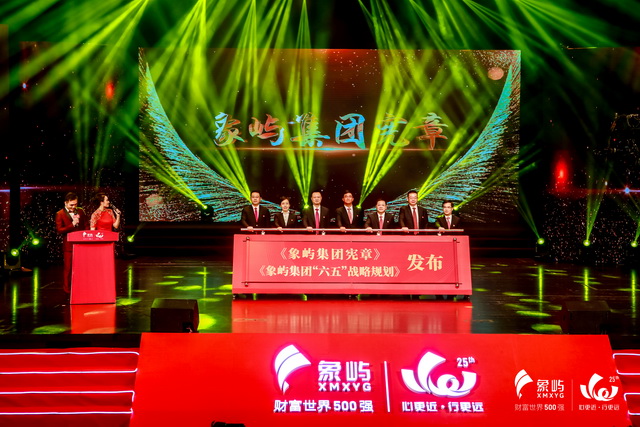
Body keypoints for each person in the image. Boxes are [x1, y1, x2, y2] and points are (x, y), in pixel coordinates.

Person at [55, 192, 88, 293]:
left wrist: (86, 235)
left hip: (81, 244)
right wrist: (72, 225)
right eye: (71, 205)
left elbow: (86, 224)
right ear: (65, 203)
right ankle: (67, 289)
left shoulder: (80, 211)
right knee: (68, 268)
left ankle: (80, 286)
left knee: (81, 267)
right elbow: (59, 230)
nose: (74, 207)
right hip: (68, 246)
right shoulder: (60, 214)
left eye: (75, 204)